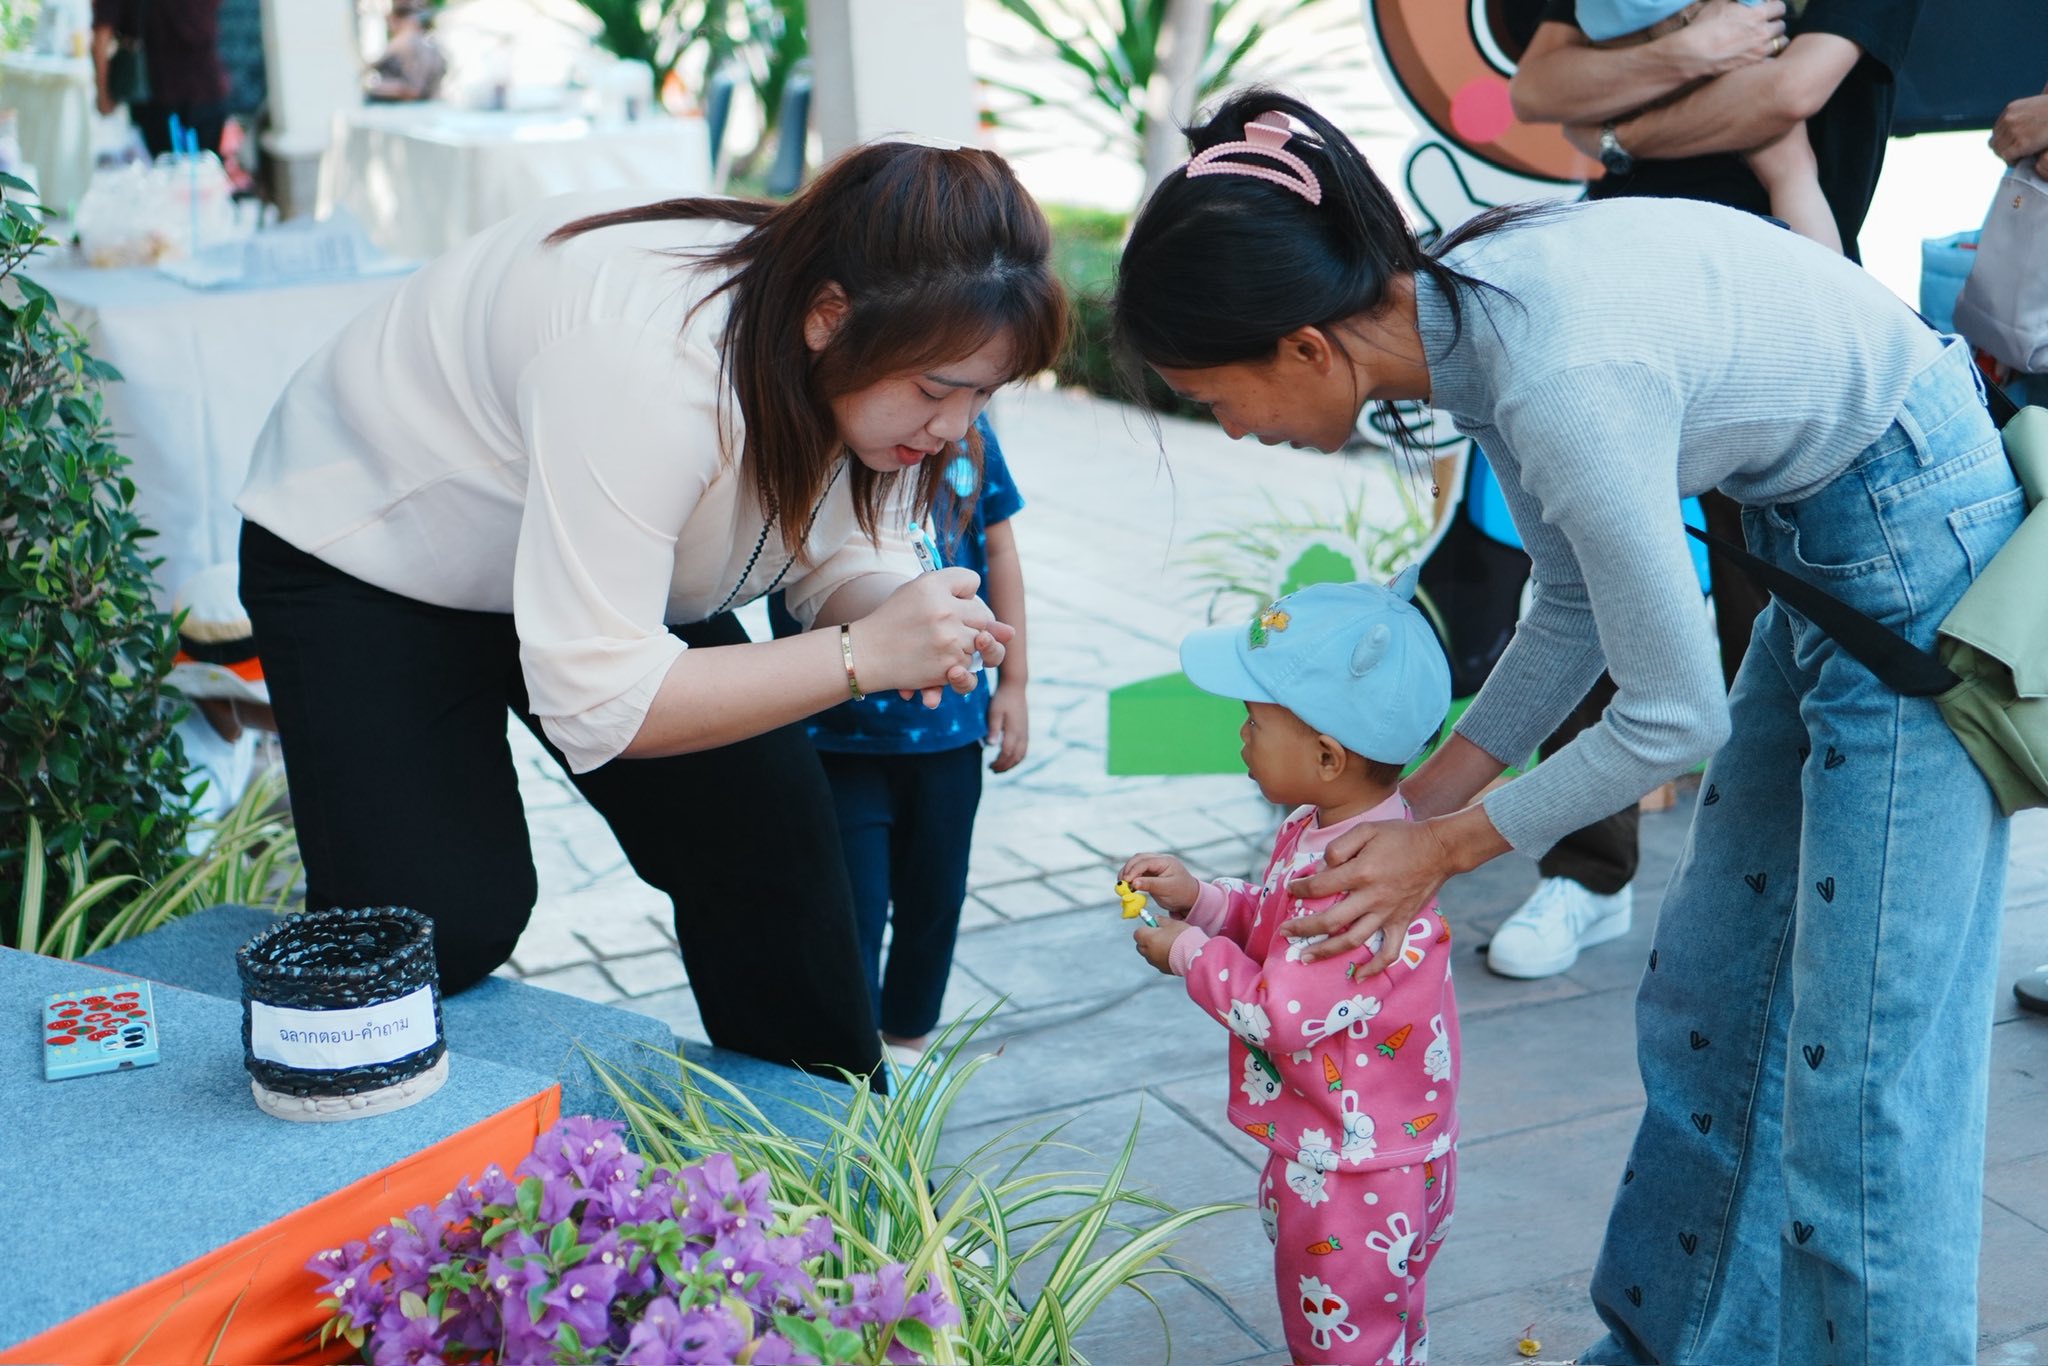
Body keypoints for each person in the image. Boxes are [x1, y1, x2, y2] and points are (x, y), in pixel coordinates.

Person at [1114, 89, 2021, 1365]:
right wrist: (1417, 804)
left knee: (1860, 1079)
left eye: (1214, 396)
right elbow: (1574, 606)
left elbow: (1670, 715)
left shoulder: (1549, 369)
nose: (1230, 427)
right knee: (1712, 988)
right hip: (1820, 539)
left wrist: (1445, 848)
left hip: (1907, 534)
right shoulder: (1469, 320)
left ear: (1305, 347)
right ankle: (1670, 1345)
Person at [235, 143, 1064, 1083]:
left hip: (603, 550)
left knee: (776, 834)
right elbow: (600, 703)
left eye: (982, 394)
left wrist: (901, 619)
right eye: (936, 392)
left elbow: (842, 553)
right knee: (443, 923)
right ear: (830, 318)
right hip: (374, 541)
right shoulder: (648, 360)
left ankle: (826, 1146)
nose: (956, 429)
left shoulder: (859, 326)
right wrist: (861, 656)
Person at [1487, 0, 1923, 979]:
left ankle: (1799, 892)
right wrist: (1691, 53)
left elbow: (1786, 94)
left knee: (1784, 615)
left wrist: (1621, 130)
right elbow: (1541, 86)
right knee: (1588, 584)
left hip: (1780, 298)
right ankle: (1586, 874)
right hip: (1615, 287)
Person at [1121, 577, 1457, 1366]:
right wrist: (1203, 901)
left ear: (1327, 756)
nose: (1241, 735)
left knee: (1341, 1345)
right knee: (1388, 1325)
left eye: (1255, 720)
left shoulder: (1349, 879)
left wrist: (1188, 952)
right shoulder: (1342, 831)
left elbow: (1280, 1013)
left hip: (1351, 1171)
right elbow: (1280, 929)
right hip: (1372, 1150)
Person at [767, 413, 1030, 1062]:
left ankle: (909, 1048)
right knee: (848, 908)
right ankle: (853, 1055)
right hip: (833, 736)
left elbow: (1000, 549)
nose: (955, 409)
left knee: (933, 901)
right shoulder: (822, 427)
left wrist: (1015, 683)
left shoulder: (970, 436)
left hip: (949, 736)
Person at [1575, 0, 1838, 251]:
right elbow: (1788, 92)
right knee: (1791, 167)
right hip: (1692, 19)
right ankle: (1824, 280)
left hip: (1610, 41)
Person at [91, 0, 228, 157]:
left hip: (158, 94)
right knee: (203, 167)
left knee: (165, 167)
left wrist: (103, 94)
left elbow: (102, 37)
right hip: (202, 88)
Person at [365, 0, 447, 104]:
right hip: (429, 106)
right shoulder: (429, 43)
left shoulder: (406, 42)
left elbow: (412, 90)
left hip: (411, 108)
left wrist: (372, 88)